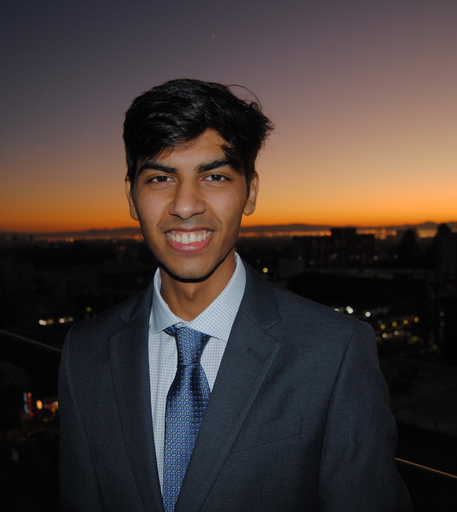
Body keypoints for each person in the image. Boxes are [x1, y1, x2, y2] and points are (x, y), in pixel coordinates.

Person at [59, 78, 412, 511]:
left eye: (214, 176)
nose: (185, 205)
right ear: (131, 196)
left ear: (251, 192)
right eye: (160, 177)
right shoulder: (85, 353)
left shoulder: (335, 351)